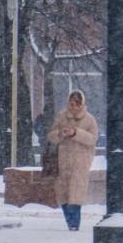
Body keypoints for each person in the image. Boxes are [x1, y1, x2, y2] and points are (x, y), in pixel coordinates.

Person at [47, 90, 98, 231]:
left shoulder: (89, 119)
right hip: (62, 162)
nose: (74, 107)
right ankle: (70, 221)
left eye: (77, 104)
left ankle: (74, 224)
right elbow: (51, 136)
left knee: (76, 195)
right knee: (63, 194)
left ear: (82, 104)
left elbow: (93, 139)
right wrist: (60, 133)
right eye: (72, 103)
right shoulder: (61, 117)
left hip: (80, 162)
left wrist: (76, 133)